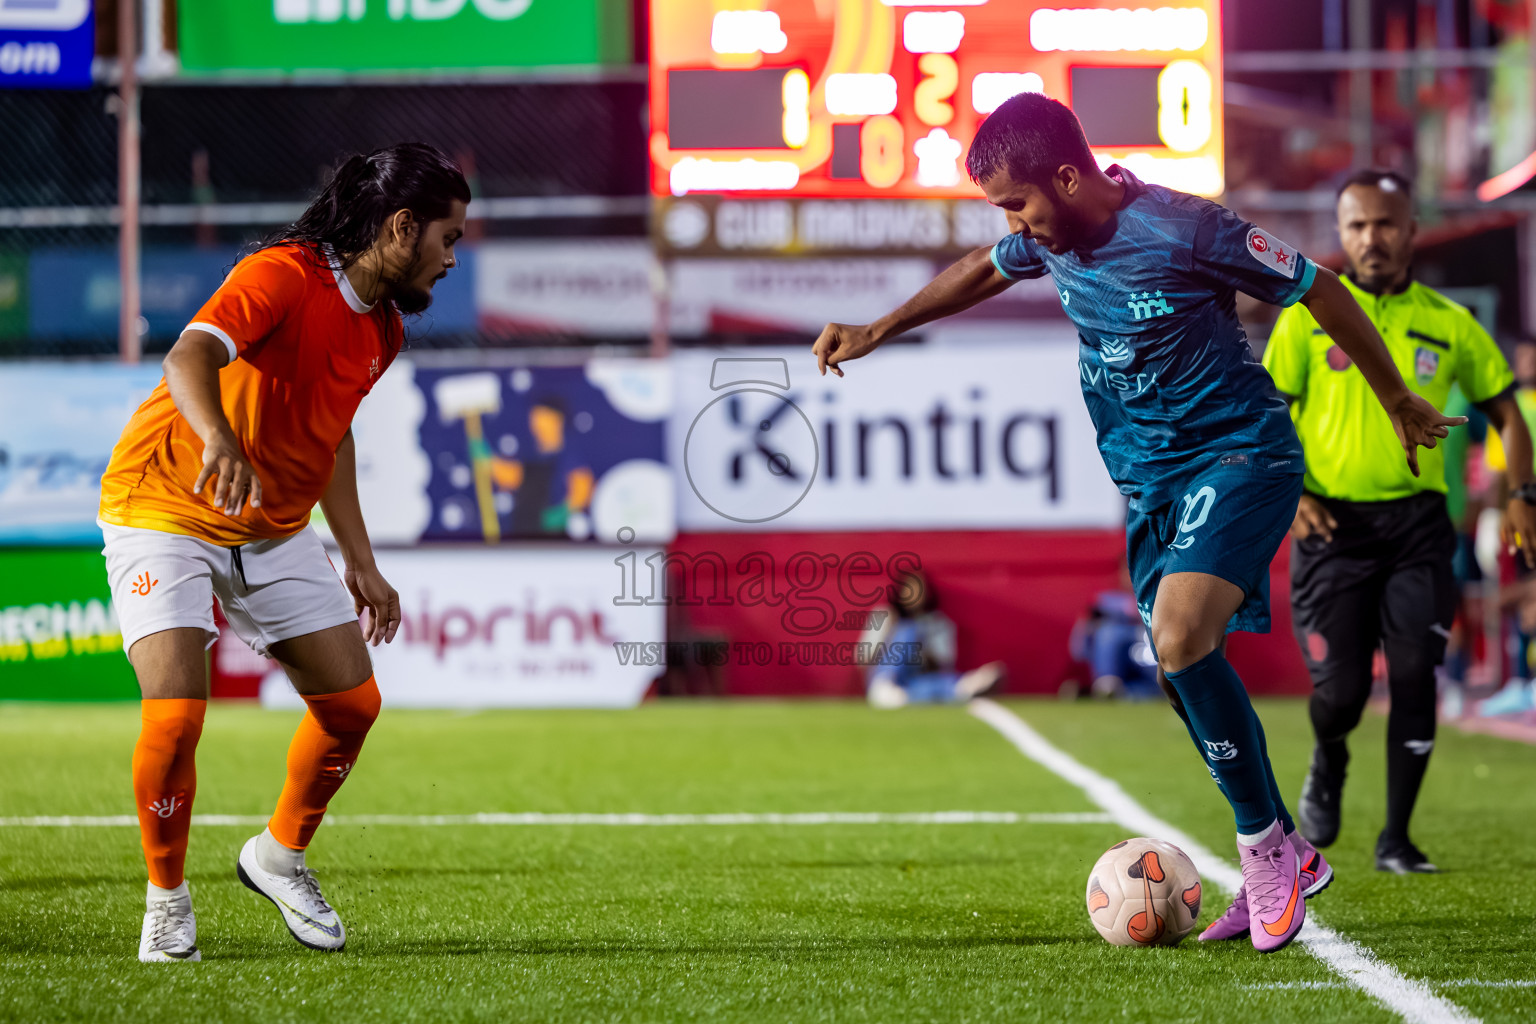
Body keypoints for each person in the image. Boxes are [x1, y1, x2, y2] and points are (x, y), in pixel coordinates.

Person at [811, 94, 1460, 953]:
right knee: (1174, 664)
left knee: (1183, 637)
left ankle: (1265, 851)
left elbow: (1321, 288)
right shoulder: (1053, 238)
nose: (1012, 222)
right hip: (1150, 484)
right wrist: (882, 328)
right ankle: (1287, 850)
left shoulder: (1189, 230)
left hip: (1241, 455)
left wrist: (1395, 396)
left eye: (1017, 201)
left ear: (1070, 176)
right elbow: (983, 267)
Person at [98, 143, 470, 962]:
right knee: (175, 715)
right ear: (402, 227)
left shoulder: (385, 330)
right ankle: (166, 901)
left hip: (270, 527)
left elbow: (331, 434)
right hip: (164, 505)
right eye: (448, 237)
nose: (452, 257)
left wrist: (360, 558)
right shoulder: (283, 275)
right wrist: (221, 440)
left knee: (353, 710)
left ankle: (277, 856)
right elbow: (187, 356)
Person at [1263, 171, 1536, 874]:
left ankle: (1398, 839)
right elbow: (1266, 417)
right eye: (1356, 226)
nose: (1371, 238)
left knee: (1416, 671)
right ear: (1341, 233)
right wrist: (1291, 497)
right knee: (1341, 694)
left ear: (1412, 232)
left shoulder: (1450, 324)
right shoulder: (1305, 316)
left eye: (1386, 224)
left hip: (1418, 527)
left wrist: (1520, 494)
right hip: (1331, 529)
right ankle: (1329, 755)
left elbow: (1506, 409)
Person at [861, 570, 1005, 708]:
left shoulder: (938, 623)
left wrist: (923, 650)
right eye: (909, 588)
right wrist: (890, 633)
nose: (914, 594)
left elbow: (945, 662)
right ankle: (887, 688)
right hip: (884, 677)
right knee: (908, 630)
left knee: (937, 685)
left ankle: (968, 685)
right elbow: (863, 659)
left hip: (916, 679)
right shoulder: (884, 615)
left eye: (919, 589)